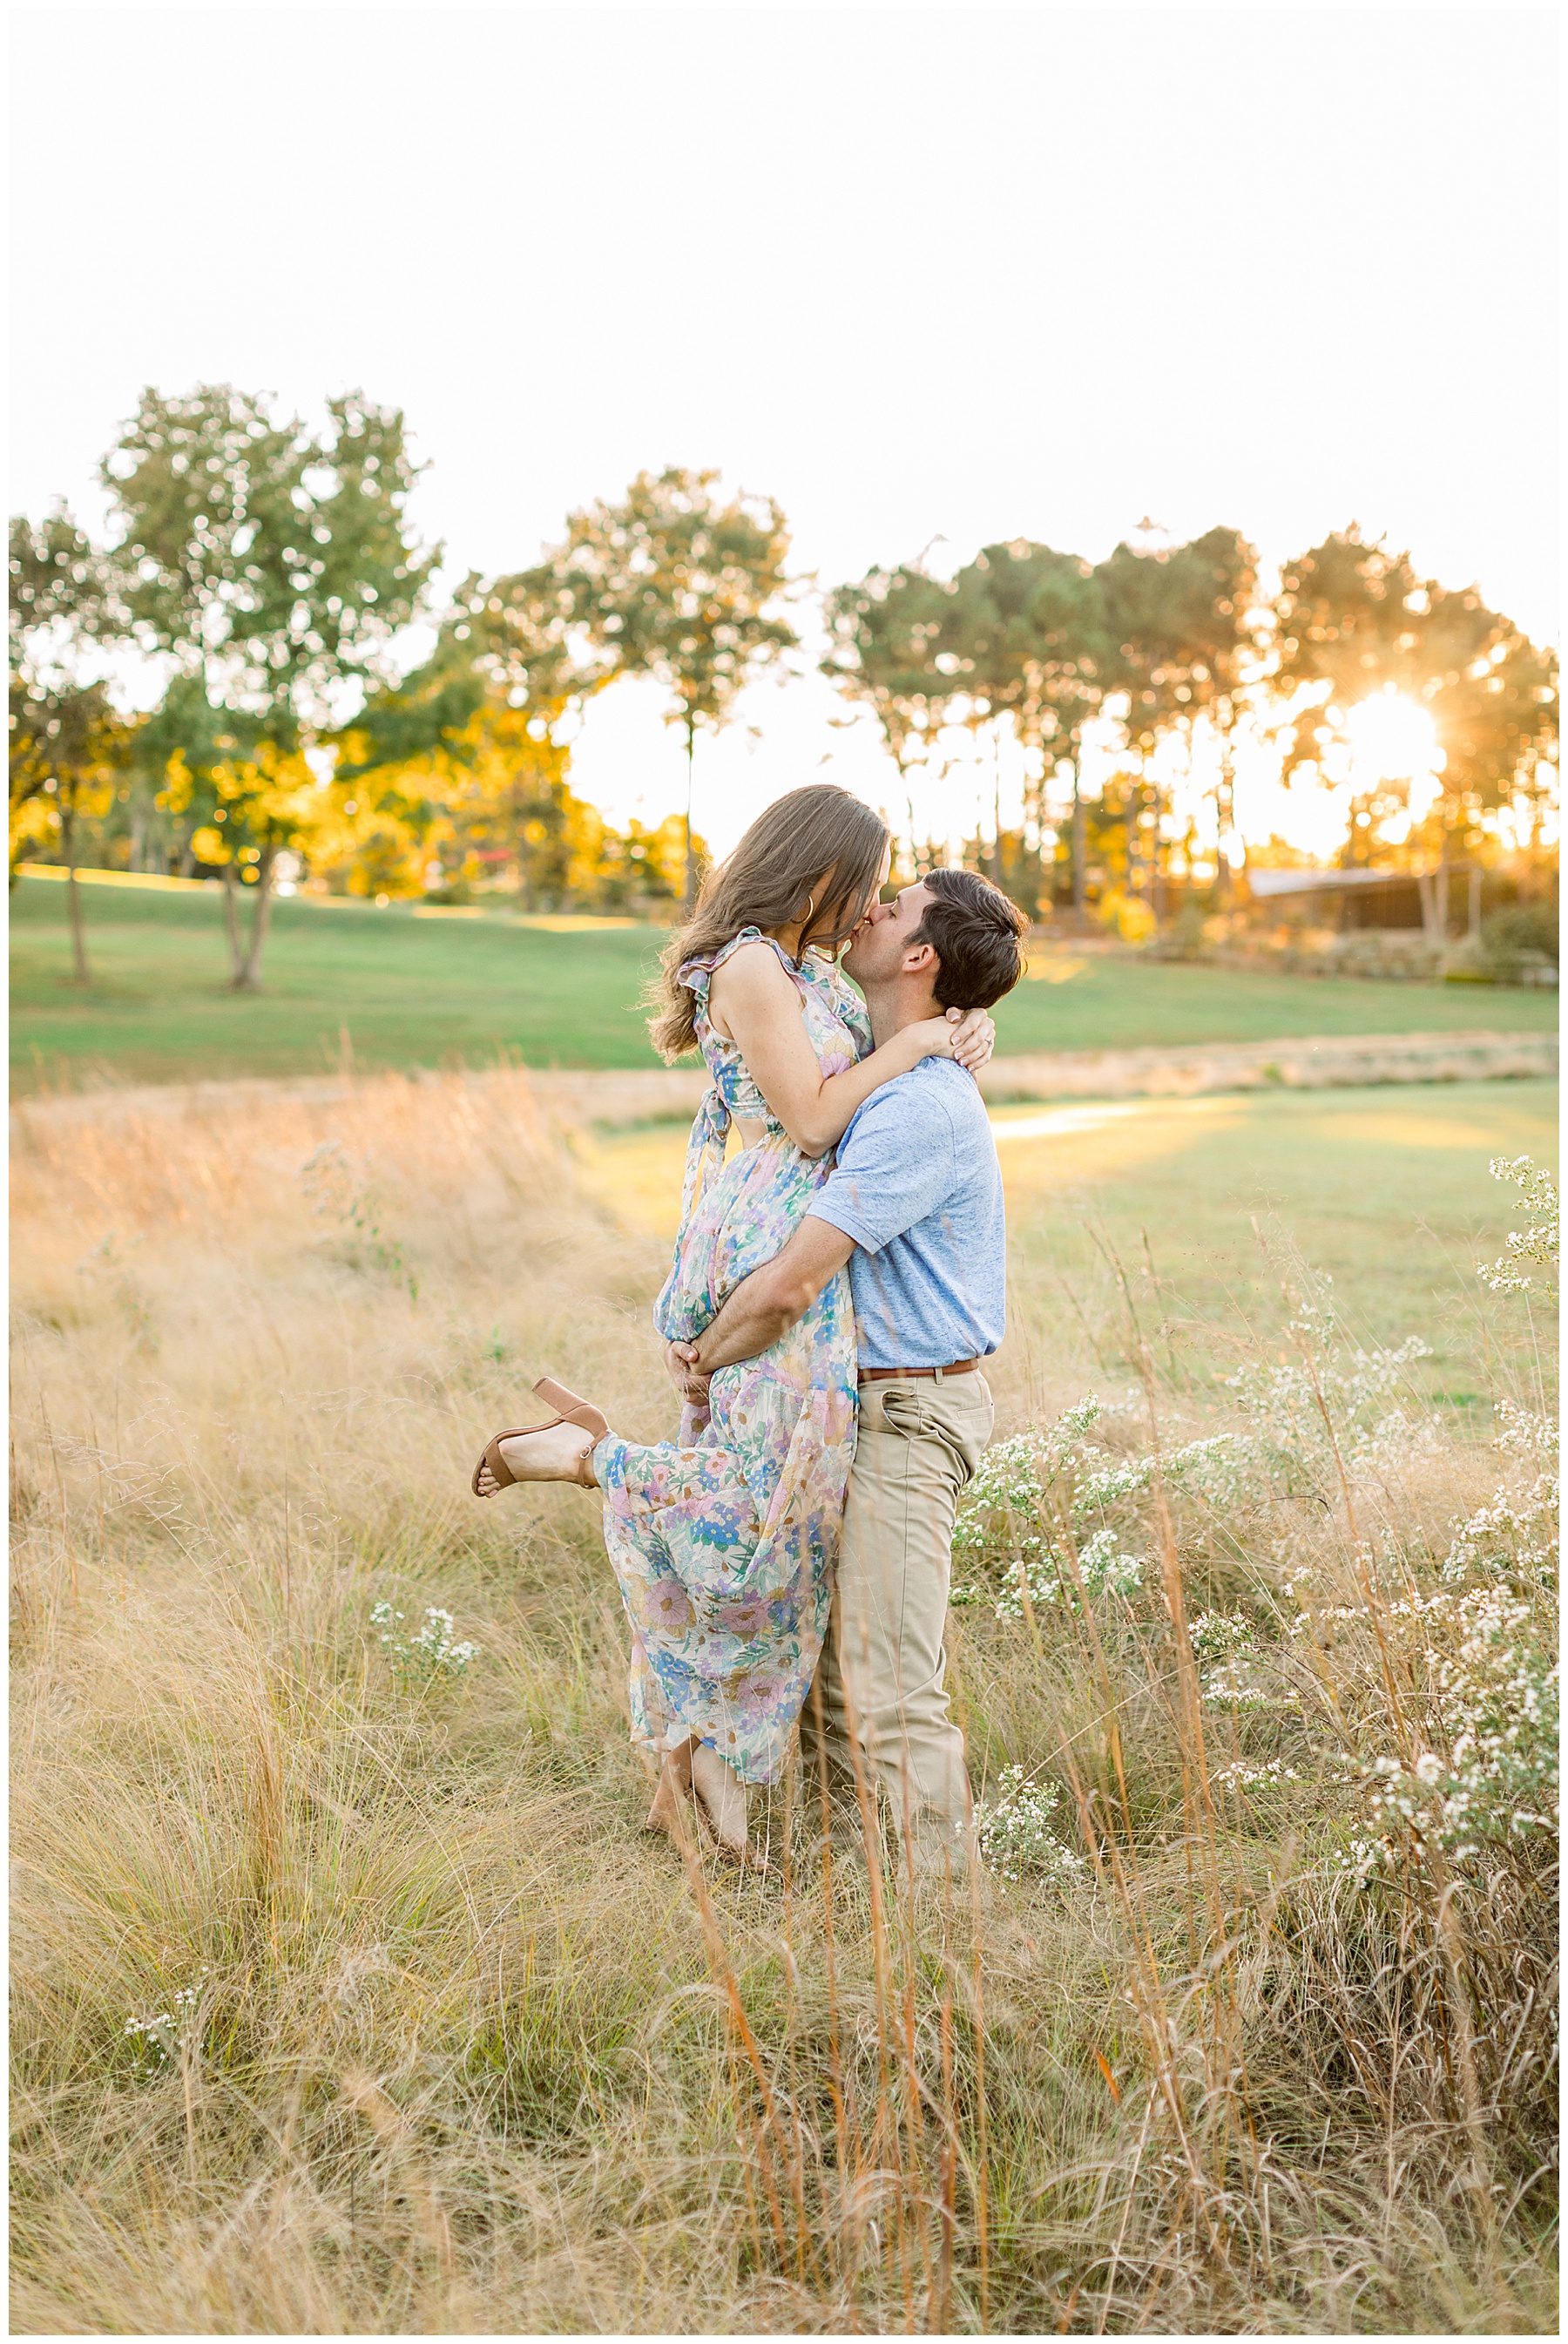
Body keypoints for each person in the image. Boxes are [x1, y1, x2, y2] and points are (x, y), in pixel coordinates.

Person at [470, 785, 997, 1871]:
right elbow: (813, 1114)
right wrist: (925, 1045)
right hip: (769, 1236)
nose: (870, 908)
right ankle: (591, 1469)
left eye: (889, 901)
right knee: (753, 1509)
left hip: (816, 1277)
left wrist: (960, 1025)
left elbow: (880, 1049)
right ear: (819, 866)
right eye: (869, 882)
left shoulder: (811, 975)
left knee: (773, 1533)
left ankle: (714, 1767)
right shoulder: (755, 962)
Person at [666, 865, 1027, 1879]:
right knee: (825, 1683)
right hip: (845, 1406)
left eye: (897, 902)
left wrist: (704, 1353)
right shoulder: (877, 1056)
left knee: (889, 1689)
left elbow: (791, 1285)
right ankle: (843, 1899)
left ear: (920, 954)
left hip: (907, 1411)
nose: (868, 905)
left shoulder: (918, 1103)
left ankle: (946, 1928)